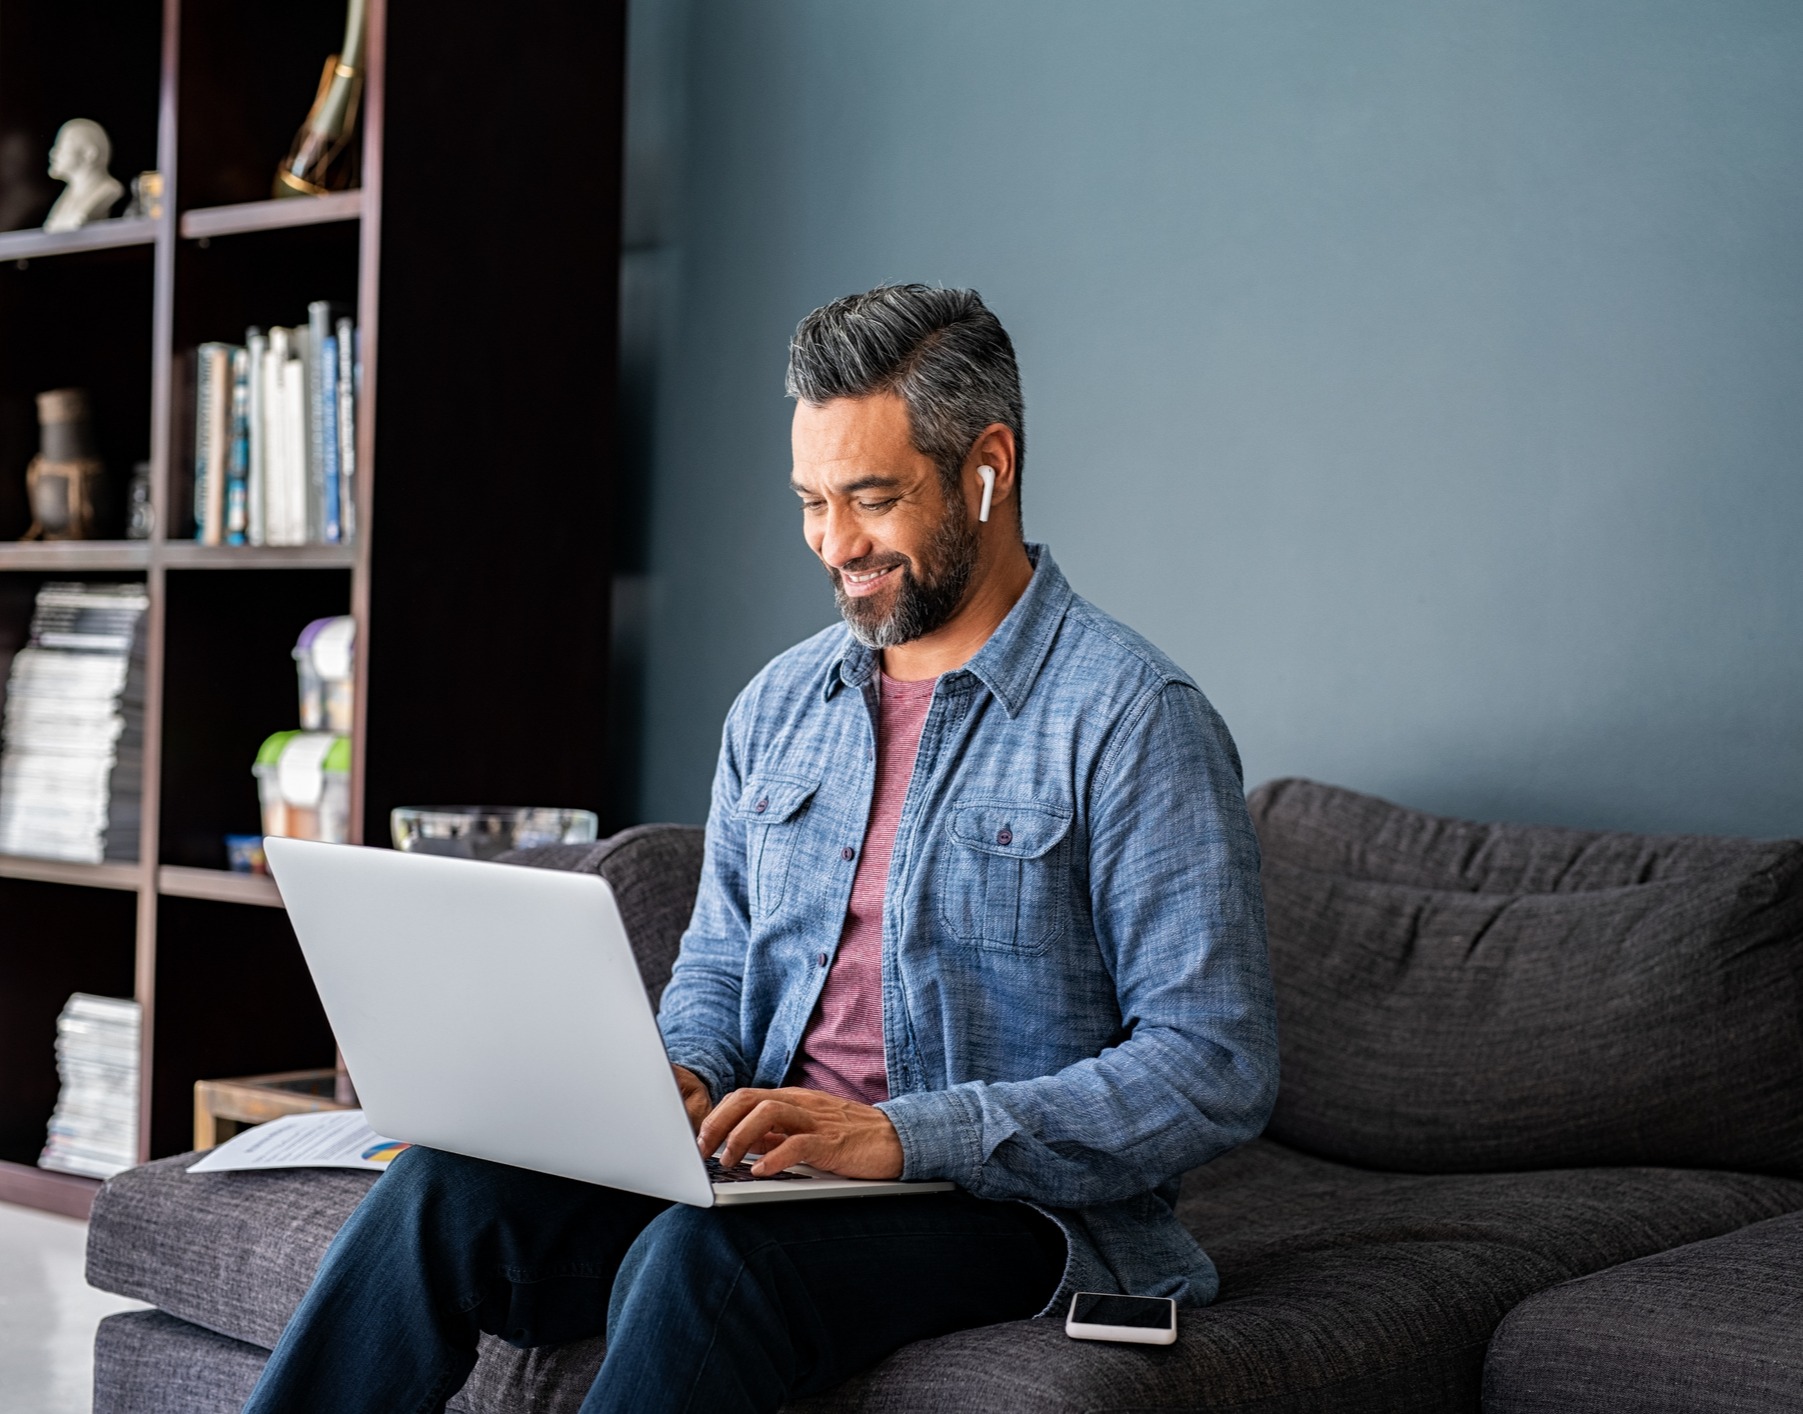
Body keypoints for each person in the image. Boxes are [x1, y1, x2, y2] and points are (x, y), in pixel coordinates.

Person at [241, 284, 1278, 1414]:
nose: (834, 545)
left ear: (989, 466)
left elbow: (1212, 1063)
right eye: (810, 501)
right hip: (771, 1177)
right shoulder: (781, 705)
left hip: (1007, 1209)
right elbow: (723, 969)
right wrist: (677, 1079)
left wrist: (899, 1135)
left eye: (872, 499)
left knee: (707, 1263)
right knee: (442, 1191)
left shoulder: (1132, 716)